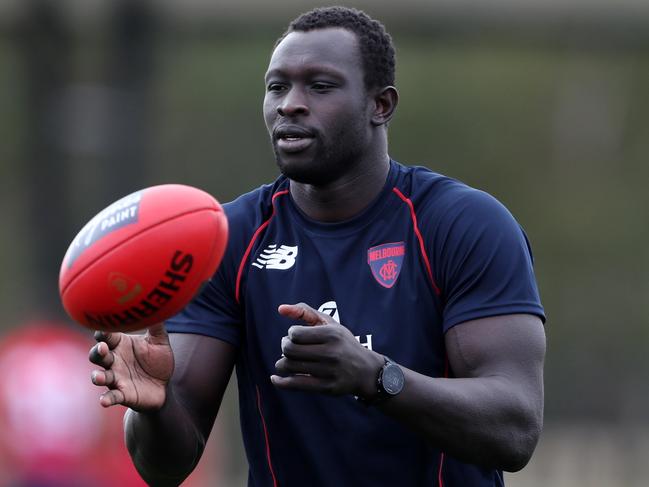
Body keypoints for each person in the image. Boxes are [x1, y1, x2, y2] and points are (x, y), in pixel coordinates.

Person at [89, 6, 546, 486]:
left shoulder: (464, 225)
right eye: (276, 86)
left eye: (320, 86)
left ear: (380, 105)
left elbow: (514, 430)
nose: (290, 104)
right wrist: (155, 406)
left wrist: (374, 377)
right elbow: (165, 466)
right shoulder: (227, 238)